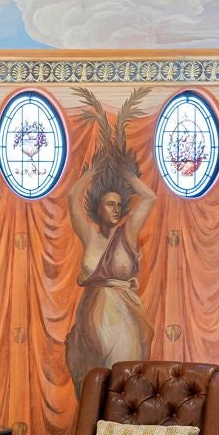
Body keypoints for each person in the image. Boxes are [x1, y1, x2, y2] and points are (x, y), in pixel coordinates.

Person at [66, 170, 156, 401]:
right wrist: (93, 171)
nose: (116, 209)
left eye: (118, 205)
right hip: (91, 315)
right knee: (93, 380)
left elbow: (149, 198)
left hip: (124, 316)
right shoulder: (89, 236)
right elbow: (73, 198)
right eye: (109, 204)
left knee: (122, 376)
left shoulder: (128, 233)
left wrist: (127, 173)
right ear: (98, 208)